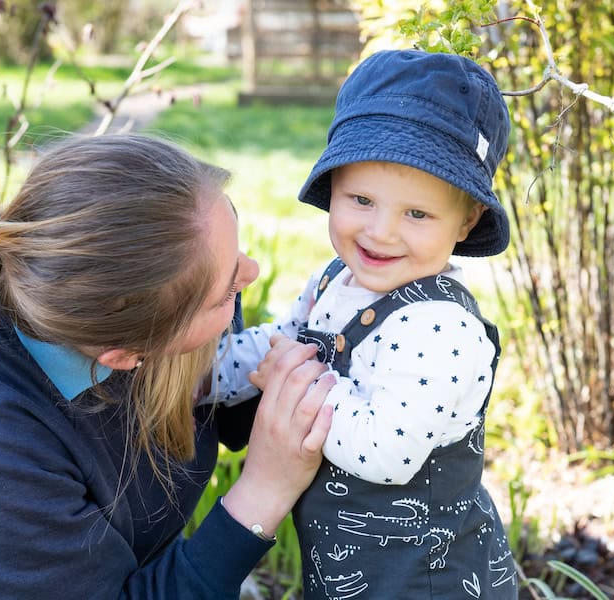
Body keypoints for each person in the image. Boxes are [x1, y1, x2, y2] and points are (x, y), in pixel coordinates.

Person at [0, 133, 335, 599]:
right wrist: (264, 490)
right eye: (228, 289)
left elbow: (219, 396)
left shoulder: (163, 269)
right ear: (126, 356)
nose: (252, 271)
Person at [209, 50, 519, 598]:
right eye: (361, 199)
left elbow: (386, 452)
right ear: (336, 186)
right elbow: (282, 342)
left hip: (426, 581)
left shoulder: (442, 328)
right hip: (352, 573)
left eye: (416, 214)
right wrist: (209, 373)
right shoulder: (335, 280)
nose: (381, 232)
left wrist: (294, 380)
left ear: (467, 220)